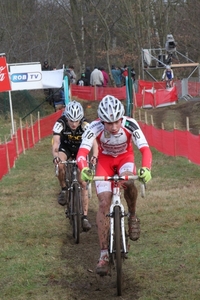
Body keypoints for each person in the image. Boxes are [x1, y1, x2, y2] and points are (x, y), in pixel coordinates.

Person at [76, 95, 152, 275]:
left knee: (129, 181)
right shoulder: (94, 127)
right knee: (103, 203)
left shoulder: (130, 124)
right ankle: (103, 254)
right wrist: (84, 168)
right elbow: (82, 152)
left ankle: (132, 216)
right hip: (105, 162)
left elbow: (145, 149)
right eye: (109, 123)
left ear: (121, 118)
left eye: (117, 121)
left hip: (125, 159)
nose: (114, 127)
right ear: (102, 121)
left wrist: (146, 168)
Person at [52, 100, 98, 231]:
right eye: (71, 120)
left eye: (76, 120)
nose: (73, 123)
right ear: (66, 118)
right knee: (60, 165)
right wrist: (56, 157)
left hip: (81, 150)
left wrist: (94, 155)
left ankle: (84, 216)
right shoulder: (60, 124)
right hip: (65, 148)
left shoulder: (85, 125)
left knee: (83, 182)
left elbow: (94, 144)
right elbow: (56, 144)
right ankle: (64, 189)